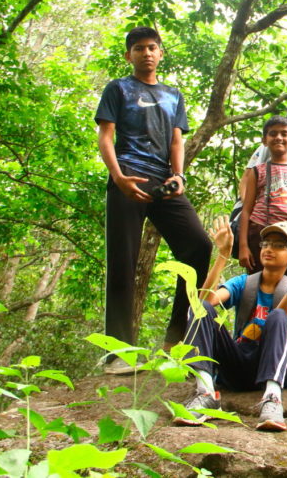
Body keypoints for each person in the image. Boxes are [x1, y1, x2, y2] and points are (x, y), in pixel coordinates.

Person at [95, 26, 212, 372]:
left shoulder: (173, 95)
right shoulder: (118, 89)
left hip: (165, 183)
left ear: (161, 53)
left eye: (152, 48)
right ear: (129, 55)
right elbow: (106, 136)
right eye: (139, 48)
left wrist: (179, 175)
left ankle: (177, 338)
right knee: (123, 262)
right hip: (128, 178)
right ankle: (118, 354)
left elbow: (177, 140)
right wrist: (118, 177)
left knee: (198, 246)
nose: (147, 53)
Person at [176, 219, 287, 431]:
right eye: (266, 244)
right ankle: (205, 393)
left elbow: (282, 314)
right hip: (240, 364)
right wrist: (223, 255)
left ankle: (272, 398)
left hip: (275, 364)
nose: (269, 249)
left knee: (277, 317)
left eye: (279, 246)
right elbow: (206, 302)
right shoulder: (243, 283)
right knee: (199, 308)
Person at [238, 116, 287, 268]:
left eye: (284, 134)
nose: (278, 138)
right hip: (261, 231)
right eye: (273, 134)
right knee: (260, 280)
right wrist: (243, 246)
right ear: (264, 140)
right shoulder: (257, 171)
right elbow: (247, 209)